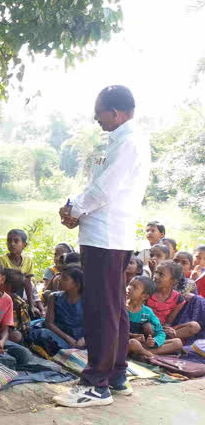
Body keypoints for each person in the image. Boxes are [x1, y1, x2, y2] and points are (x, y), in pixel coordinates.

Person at [56, 85, 151, 407]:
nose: (95, 117)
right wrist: (75, 207)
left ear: (116, 111)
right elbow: (97, 188)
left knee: (100, 309)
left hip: (106, 238)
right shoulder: (122, 142)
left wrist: (75, 210)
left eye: (99, 111)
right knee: (114, 308)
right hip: (105, 236)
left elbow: (103, 189)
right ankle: (117, 374)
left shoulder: (129, 144)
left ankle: (96, 384)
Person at [30, 267, 85, 355]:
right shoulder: (54, 297)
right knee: (42, 334)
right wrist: (67, 338)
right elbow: (49, 323)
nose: (59, 280)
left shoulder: (87, 301)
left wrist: (84, 339)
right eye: (60, 277)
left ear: (76, 284)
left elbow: (94, 325)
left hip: (80, 336)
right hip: (59, 333)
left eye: (64, 279)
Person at [127, 276, 183, 360]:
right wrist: (131, 335)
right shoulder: (120, 307)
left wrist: (154, 341)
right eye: (129, 285)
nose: (129, 288)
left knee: (177, 342)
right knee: (133, 343)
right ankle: (152, 356)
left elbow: (160, 332)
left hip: (141, 345)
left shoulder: (147, 312)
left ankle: (140, 353)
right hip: (125, 343)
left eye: (135, 287)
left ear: (145, 296)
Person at [147, 260, 201, 340]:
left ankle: (159, 342)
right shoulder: (147, 292)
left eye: (161, 275)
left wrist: (168, 329)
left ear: (173, 281)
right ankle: (159, 343)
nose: (156, 276)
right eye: (156, 273)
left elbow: (168, 322)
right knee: (148, 326)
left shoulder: (178, 298)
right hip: (146, 326)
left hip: (162, 329)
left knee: (194, 326)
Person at [0, 229, 42, 317]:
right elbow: (0, 282)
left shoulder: (28, 260)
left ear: (24, 245)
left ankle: (34, 307)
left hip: (22, 291)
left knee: (32, 308)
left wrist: (31, 304)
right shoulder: (2, 259)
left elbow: (28, 282)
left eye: (16, 241)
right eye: (9, 241)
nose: (12, 244)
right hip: (6, 291)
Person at [1, 269, 32, 344]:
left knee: (16, 336)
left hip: (9, 331)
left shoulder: (18, 303)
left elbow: (25, 327)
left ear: (7, 286)